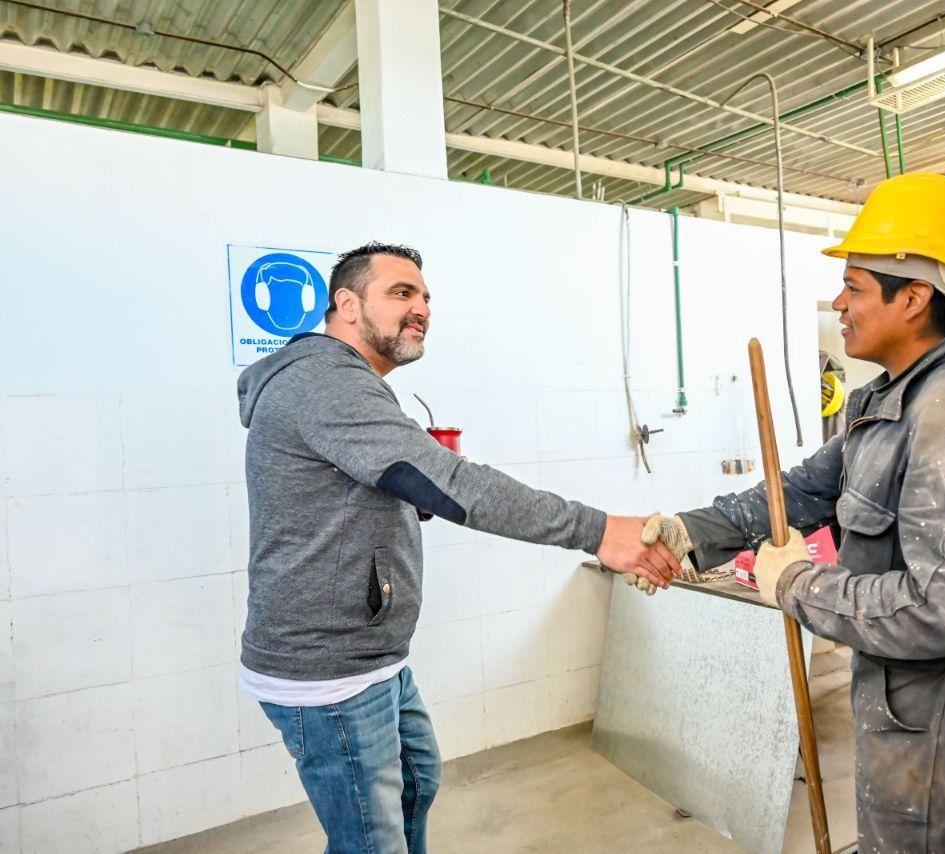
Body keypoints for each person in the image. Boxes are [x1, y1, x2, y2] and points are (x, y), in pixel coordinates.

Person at [643, 174, 945, 853]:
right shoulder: (891, 402)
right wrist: (690, 532)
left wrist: (798, 585)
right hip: (915, 710)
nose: (839, 303)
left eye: (855, 286)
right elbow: (801, 493)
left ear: (914, 297)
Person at [236, 242, 680, 853]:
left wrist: (416, 489)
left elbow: (390, 486)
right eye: (400, 293)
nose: (420, 309)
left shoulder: (353, 385)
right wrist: (600, 530)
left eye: (425, 298)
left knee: (417, 783)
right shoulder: (325, 382)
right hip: (328, 669)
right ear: (345, 303)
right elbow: (454, 483)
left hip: (373, 654)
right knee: (370, 841)